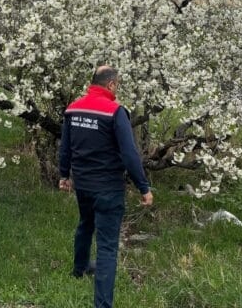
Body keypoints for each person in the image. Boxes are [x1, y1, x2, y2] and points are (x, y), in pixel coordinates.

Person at [58, 65, 153, 308]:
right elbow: (130, 153)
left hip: (83, 184)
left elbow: (65, 147)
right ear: (111, 84)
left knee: (85, 224)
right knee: (108, 245)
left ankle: (79, 269)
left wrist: (64, 175)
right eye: (117, 85)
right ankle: (102, 304)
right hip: (108, 187)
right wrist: (143, 186)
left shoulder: (73, 108)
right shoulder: (115, 111)